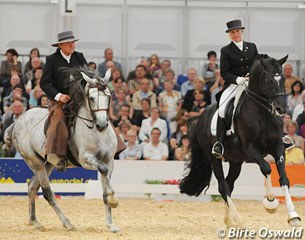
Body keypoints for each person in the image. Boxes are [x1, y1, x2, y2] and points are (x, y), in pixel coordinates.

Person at [40, 31, 125, 171]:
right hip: (61, 99)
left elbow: (88, 75)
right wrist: (58, 96)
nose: (72, 45)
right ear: (60, 45)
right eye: (69, 43)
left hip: (80, 97)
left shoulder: (79, 56)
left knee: (99, 112)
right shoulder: (52, 60)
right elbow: (44, 83)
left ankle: (115, 146)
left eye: (73, 42)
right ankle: (59, 156)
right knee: (59, 118)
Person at [212, 19, 264, 159]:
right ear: (229, 34)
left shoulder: (252, 47)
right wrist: (236, 79)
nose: (236, 34)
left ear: (242, 32)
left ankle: (279, 136)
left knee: (268, 100)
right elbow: (224, 72)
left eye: (238, 31)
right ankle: (220, 142)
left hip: (251, 84)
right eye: (233, 32)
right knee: (223, 108)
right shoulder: (226, 50)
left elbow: (257, 63)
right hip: (234, 85)